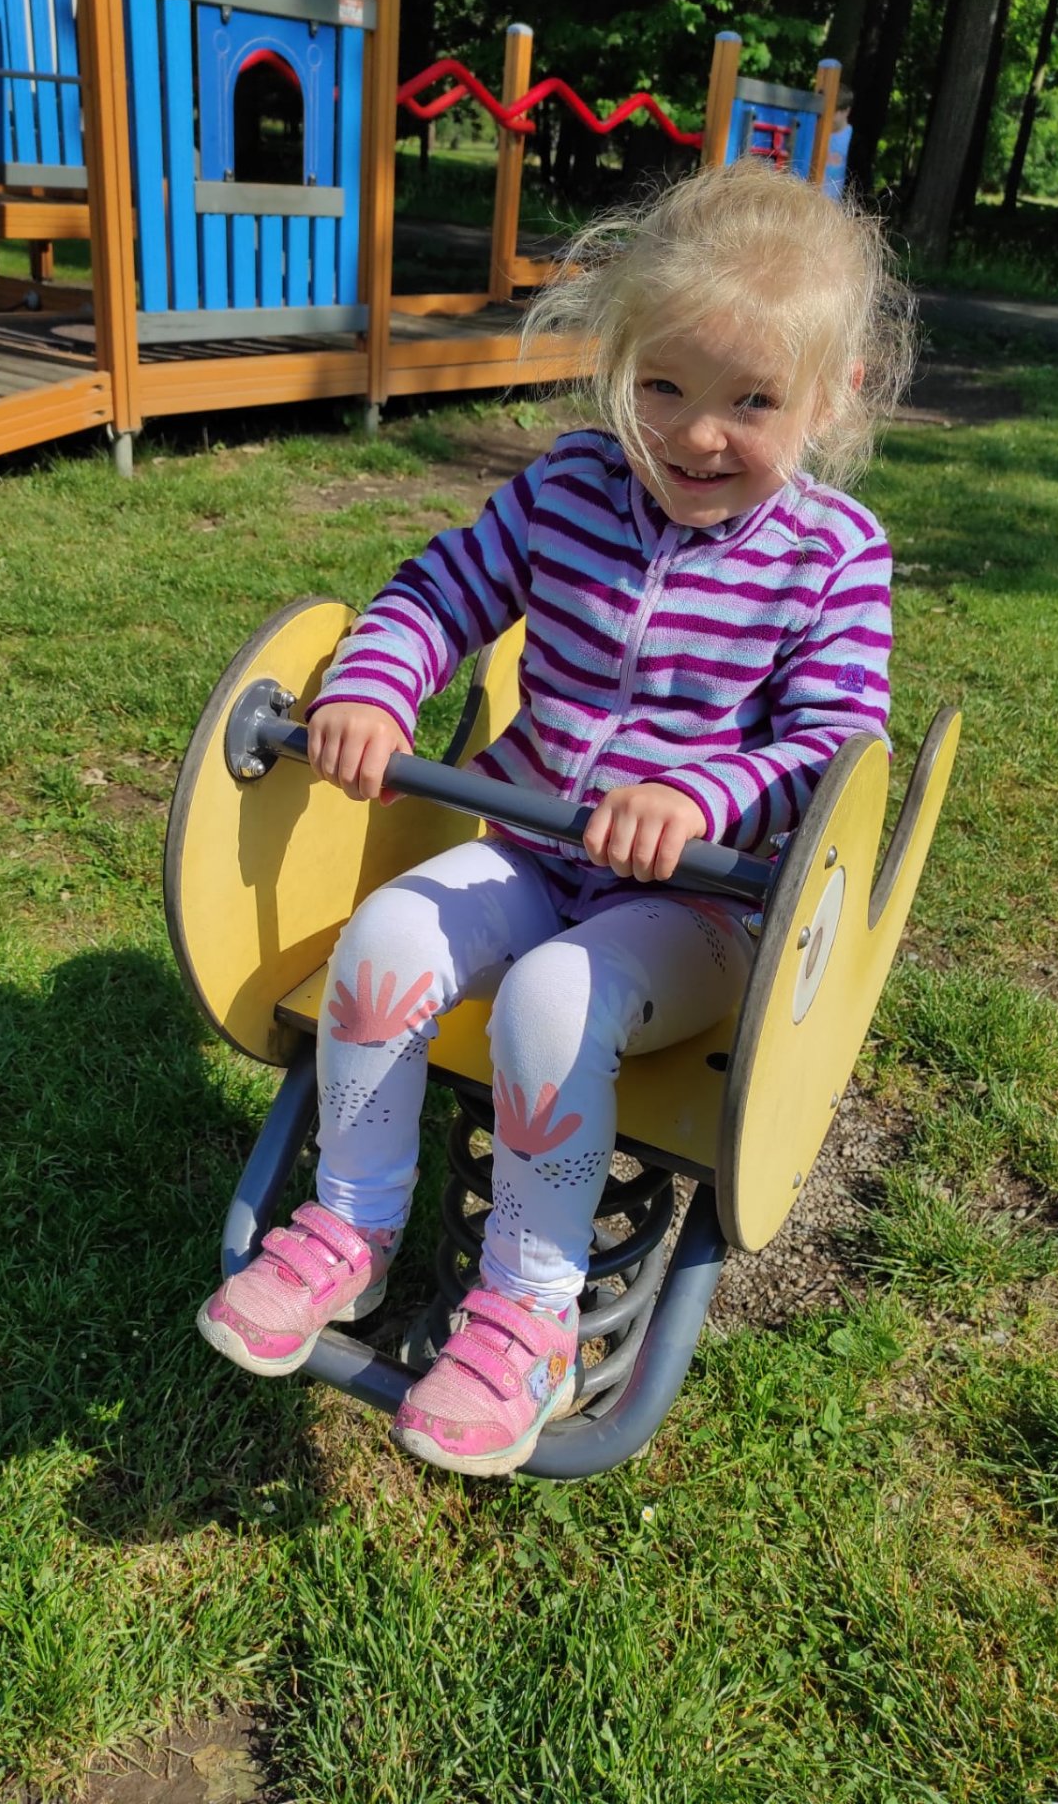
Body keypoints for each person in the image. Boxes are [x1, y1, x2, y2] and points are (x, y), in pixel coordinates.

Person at [197, 158, 915, 1477]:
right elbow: (437, 594)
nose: (696, 437)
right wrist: (373, 685)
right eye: (663, 386)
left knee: (553, 1002)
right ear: (618, 359)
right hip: (532, 850)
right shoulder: (570, 487)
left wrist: (694, 798)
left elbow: (831, 749)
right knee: (385, 941)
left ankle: (528, 1316)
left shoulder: (832, 557)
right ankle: (351, 1229)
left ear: (831, 398)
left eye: (753, 402)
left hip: (700, 910)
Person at [823, 85, 854, 200]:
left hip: (837, 205)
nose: (831, 117)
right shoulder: (818, 133)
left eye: (835, 111)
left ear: (847, 111)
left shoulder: (853, 140)